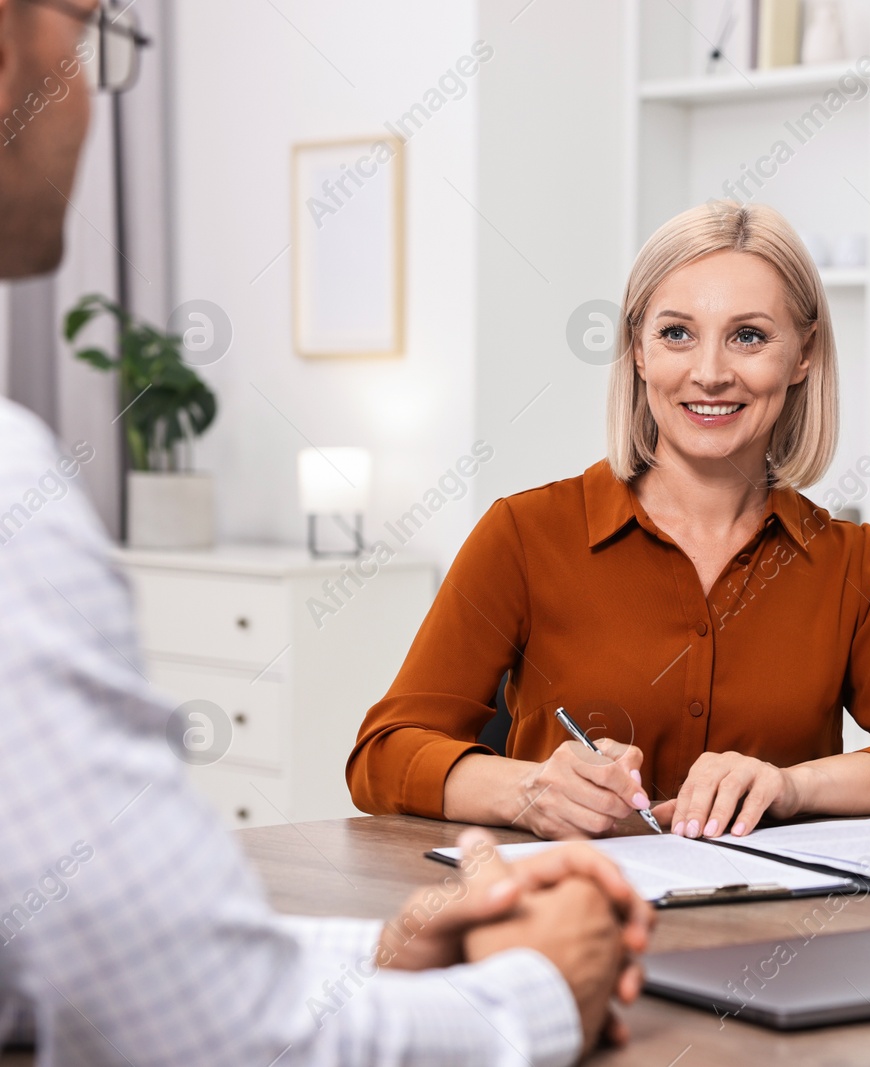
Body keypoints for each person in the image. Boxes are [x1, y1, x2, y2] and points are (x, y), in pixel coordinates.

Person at [0, 2, 652, 1063]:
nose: (711, 372)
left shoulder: (847, 555)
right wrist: (539, 990)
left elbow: (70, 969)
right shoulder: (11, 494)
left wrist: (386, 951)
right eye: (85, 36)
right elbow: (204, 1031)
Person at [348, 200, 870, 841]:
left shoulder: (851, 562)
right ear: (637, 351)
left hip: (770, 926)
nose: (709, 374)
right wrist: (526, 790)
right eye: (676, 333)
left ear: (802, 355)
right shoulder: (524, 533)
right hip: (571, 922)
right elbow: (384, 753)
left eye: (749, 336)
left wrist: (795, 786)